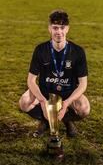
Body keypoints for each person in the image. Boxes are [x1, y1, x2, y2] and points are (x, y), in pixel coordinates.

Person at [19, 10, 90, 138]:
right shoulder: (40, 50)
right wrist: (42, 101)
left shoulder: (78, 51)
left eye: (62, 28)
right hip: (45, 92)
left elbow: (83, 84)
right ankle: (46, 121)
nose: (59, 32)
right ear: (49, 29)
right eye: (55, 28)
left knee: (84, 108)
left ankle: (66, 121)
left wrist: (67, 103)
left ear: (67, 29)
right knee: (24, 102)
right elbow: (31, 80)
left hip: (68, 92)